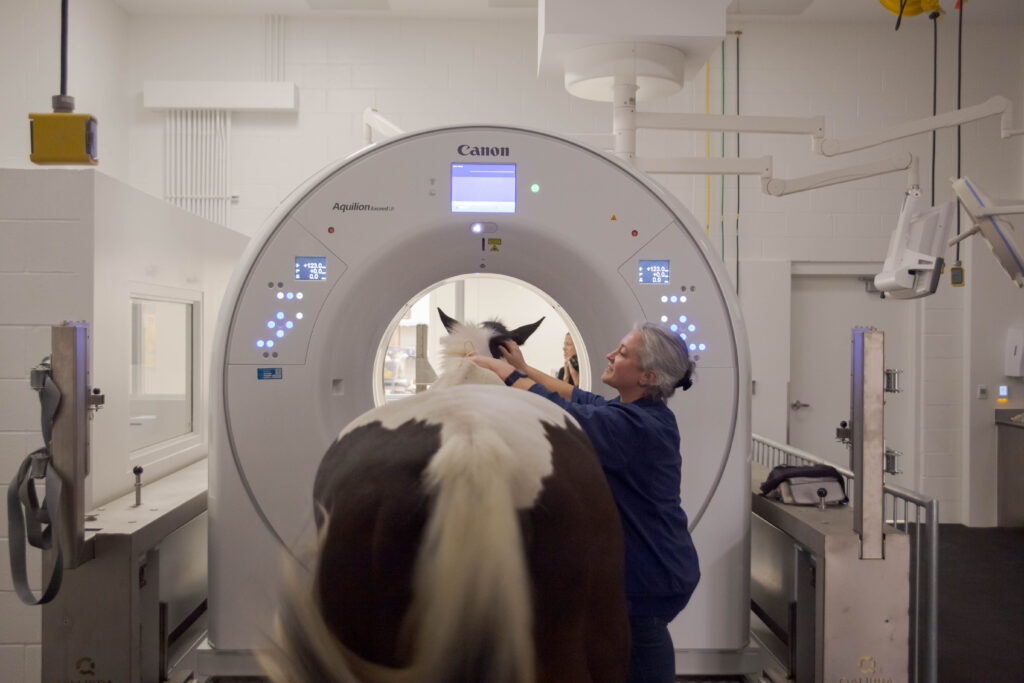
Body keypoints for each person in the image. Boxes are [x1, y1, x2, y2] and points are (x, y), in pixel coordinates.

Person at [472, 322, 700, 683]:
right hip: (658, 567)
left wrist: (503, 372)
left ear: (647, 376)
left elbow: (564, 413)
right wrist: (523, 368)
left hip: (649, 577)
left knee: (642, 657)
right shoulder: (642, 414)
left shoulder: (634, 428)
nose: (611, 355)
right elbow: (577, 397)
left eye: (623, 353)